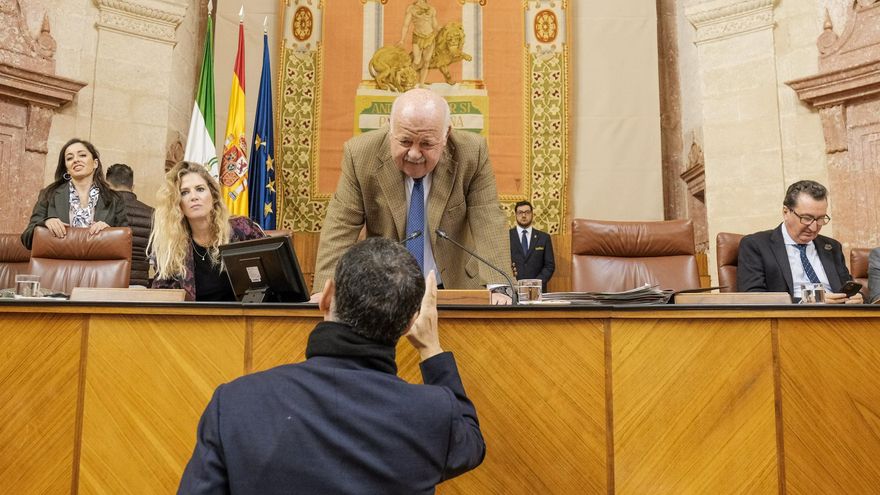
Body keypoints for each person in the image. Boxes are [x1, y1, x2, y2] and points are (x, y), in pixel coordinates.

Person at [177, 238, 485, 494]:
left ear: (326, 298)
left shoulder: (235, 403)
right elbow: (471, 443)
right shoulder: (432, 415)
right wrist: (431, 348)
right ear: (409, 324)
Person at [312, 88, 513, 304]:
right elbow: (340, 224)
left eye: (426, 144)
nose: (414, 154)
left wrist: (500, 288)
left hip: (455, 284)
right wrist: (325, 290)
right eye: (405, 141)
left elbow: (488, 220)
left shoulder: (472, 153)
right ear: (390, 127)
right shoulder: (360, 155)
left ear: (446, 135)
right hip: (385, 288)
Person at [149, 161, 264, 301]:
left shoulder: (242, 230)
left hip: (243, 319)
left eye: (200, 189)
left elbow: (275, 272)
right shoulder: (172, 245)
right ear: (177, 203)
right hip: (195, 321)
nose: (194, 197)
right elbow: (162, 296)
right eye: (184, 192)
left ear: (213, 195)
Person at [737, 180, 863, 303]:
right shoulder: (756, 245)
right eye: (806, 218)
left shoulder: (831, 246)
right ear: (786, 212)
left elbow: (848, 286)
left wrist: (858, 297)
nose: (814, 228)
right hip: (790, 320)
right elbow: (753, 297)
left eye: (820, 219)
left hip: (838, 318)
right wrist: (808, 301)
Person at [21, 138, 128, 250]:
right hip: (59, 264)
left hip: (98, 265)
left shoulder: (115, 199)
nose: (76, 160)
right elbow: (26, 239)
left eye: (82, 155)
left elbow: (125, 242)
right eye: (69, 158)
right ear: (67, 169)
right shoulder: (49, 194)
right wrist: (45, 224)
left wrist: (110, 232)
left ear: (95, 163)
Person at [106, 163, 154, 287]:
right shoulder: (153, 214)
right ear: (132, 187)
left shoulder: (101, 211)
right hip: (139, 286)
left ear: (107, 186)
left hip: (106, 282)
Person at [509, 200, 555, 292]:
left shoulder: (544, 238)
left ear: (532, 214)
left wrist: (535, 283)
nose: (524, 215)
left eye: (527, 212)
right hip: (513, 290)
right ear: (515, 215)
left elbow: (549, 266)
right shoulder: (506, 237)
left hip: (538, 291)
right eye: (520, 212)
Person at [400, 0, 438, 86]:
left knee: (426, 62)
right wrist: (402, 40)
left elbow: (435, 25)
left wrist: (442, 29)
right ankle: (407, 79)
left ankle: (421, 84)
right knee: (416, 61)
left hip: (430, 38)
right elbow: (406, 25)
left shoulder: (431, 9)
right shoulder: (411, 9)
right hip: (417, 37)